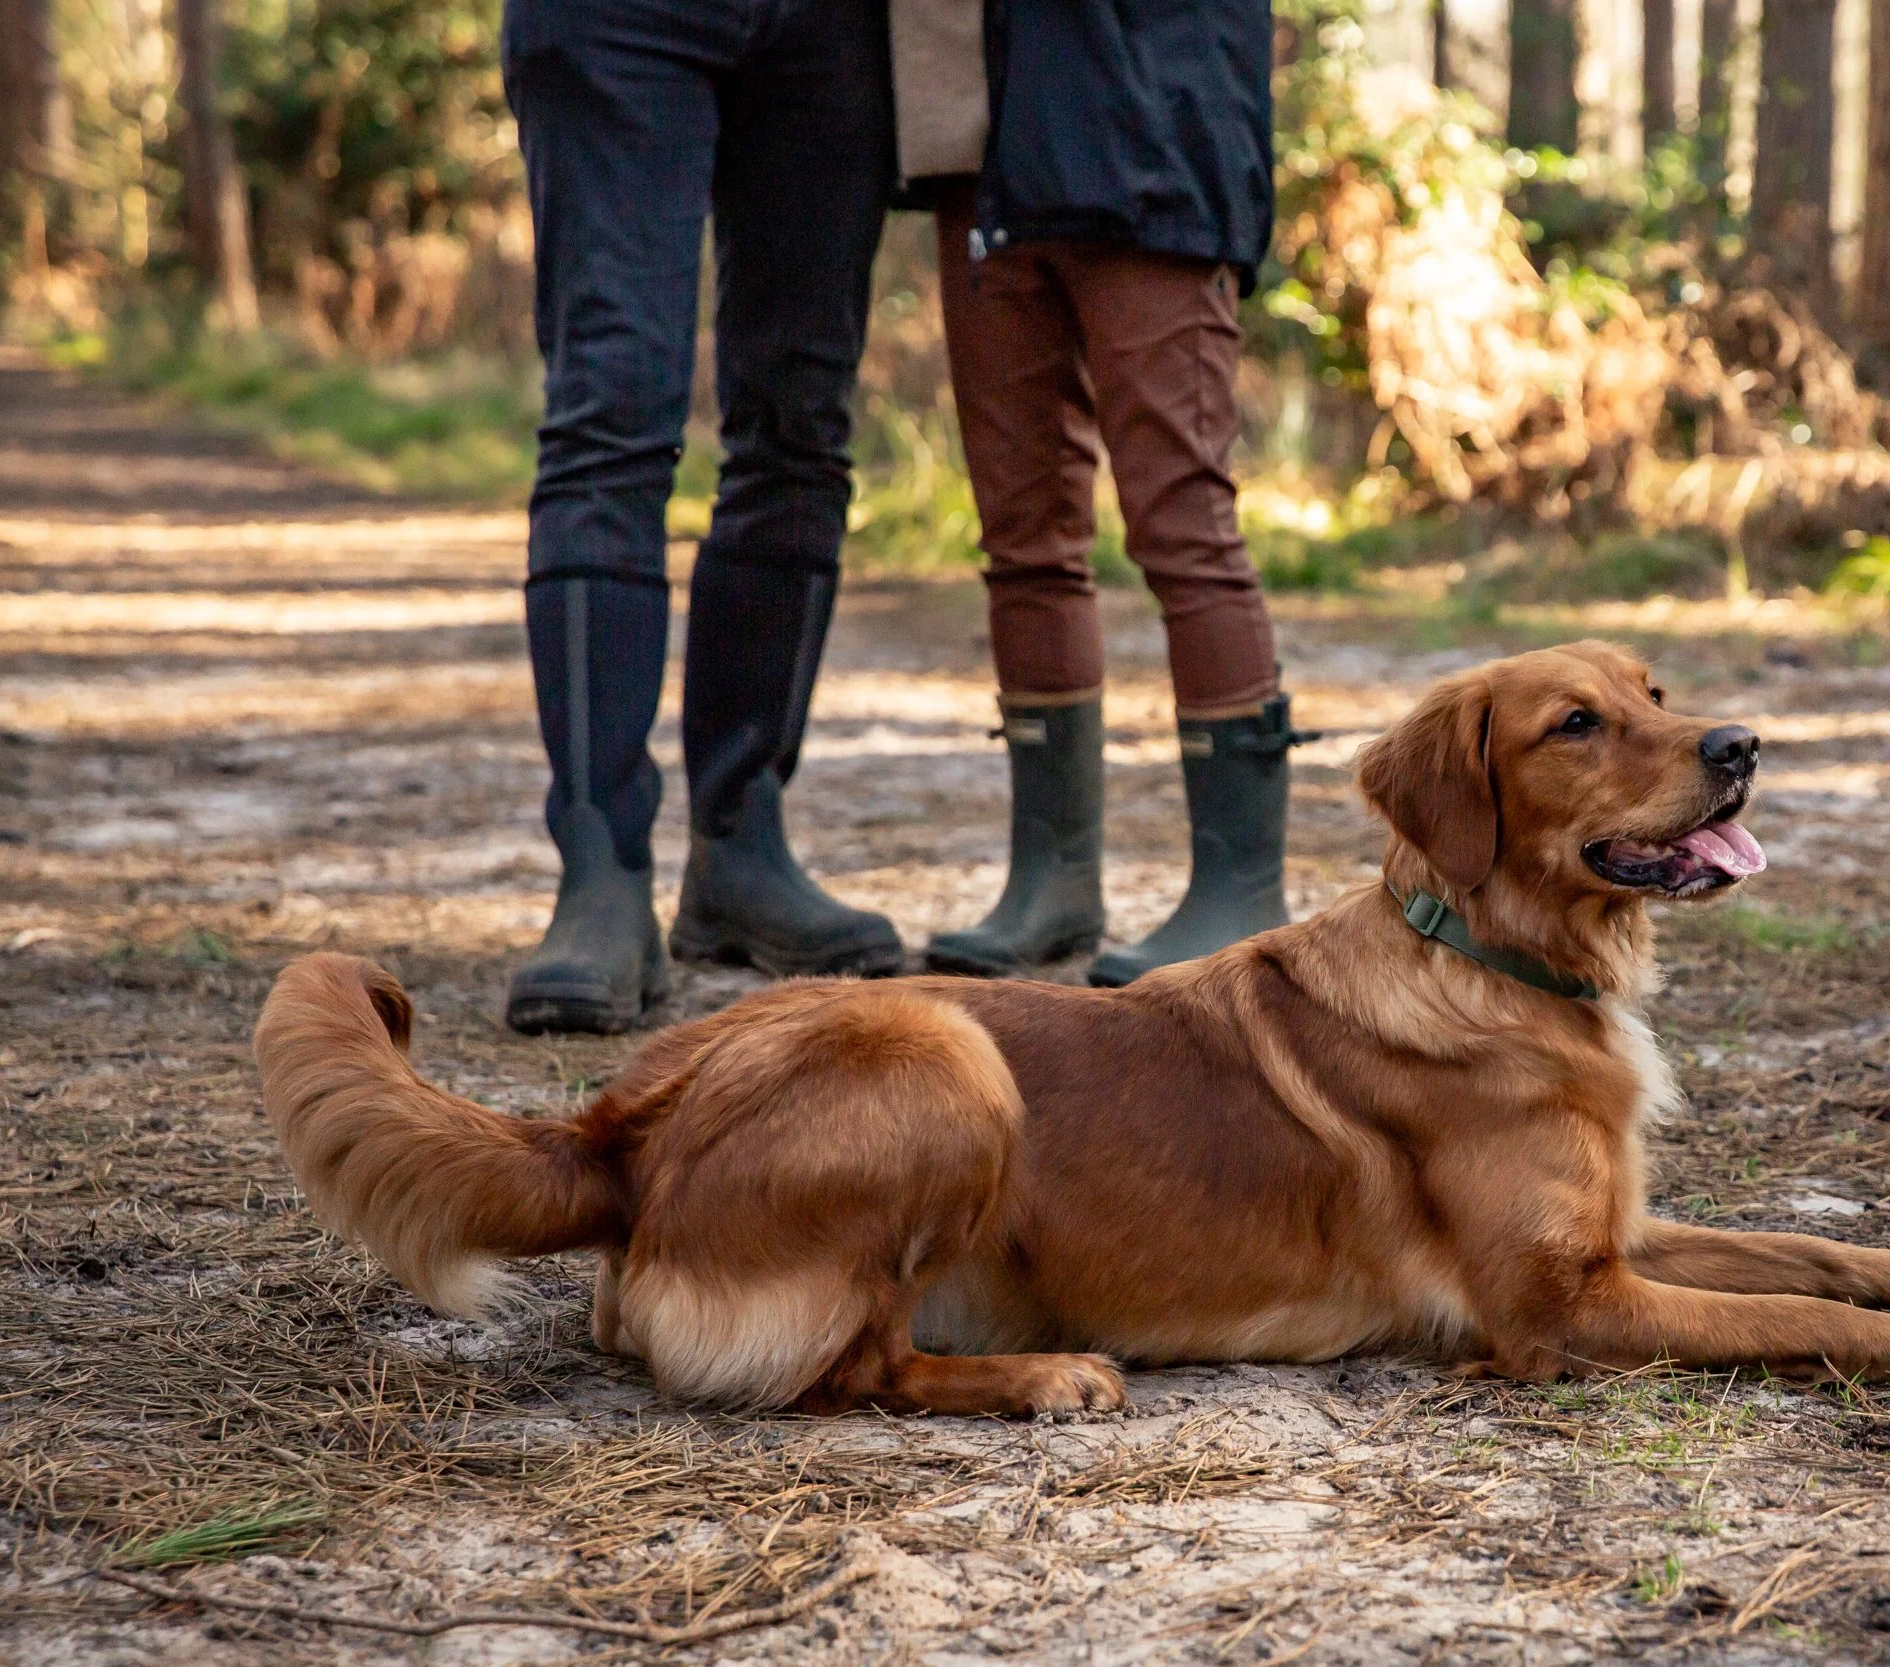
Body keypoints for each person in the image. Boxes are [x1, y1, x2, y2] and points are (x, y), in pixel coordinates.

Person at [499, 0, 904, 1034]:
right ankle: (600, 867)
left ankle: (740, 838)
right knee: (610, 406)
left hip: (834, 26)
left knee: (801, 418)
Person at [896, 0, 1307, 988]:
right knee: (1023, 538)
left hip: (1149, 145)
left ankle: (1239, 885)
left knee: (1183, 528)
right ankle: (1052, 876)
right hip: (984, 167)